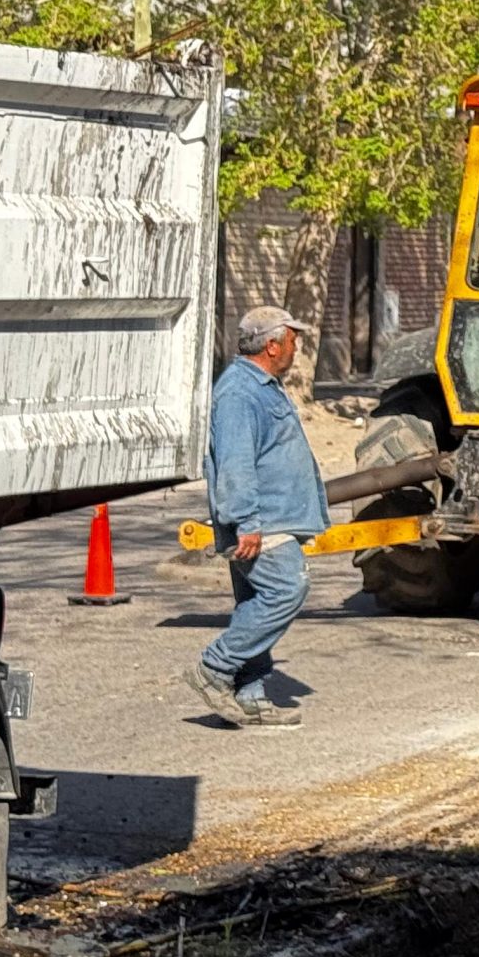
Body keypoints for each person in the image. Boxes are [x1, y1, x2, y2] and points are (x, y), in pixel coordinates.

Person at [187, 305, 325, 730]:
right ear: (271, 345)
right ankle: (214, 667)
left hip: (272, 517)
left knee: (253, 603)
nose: (296, 347)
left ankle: (250, 694)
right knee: (286, 590)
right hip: (262, 520)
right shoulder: (239, 394)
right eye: (292, 340)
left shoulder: (262, 385)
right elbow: (234, 462)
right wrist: (245, 521)